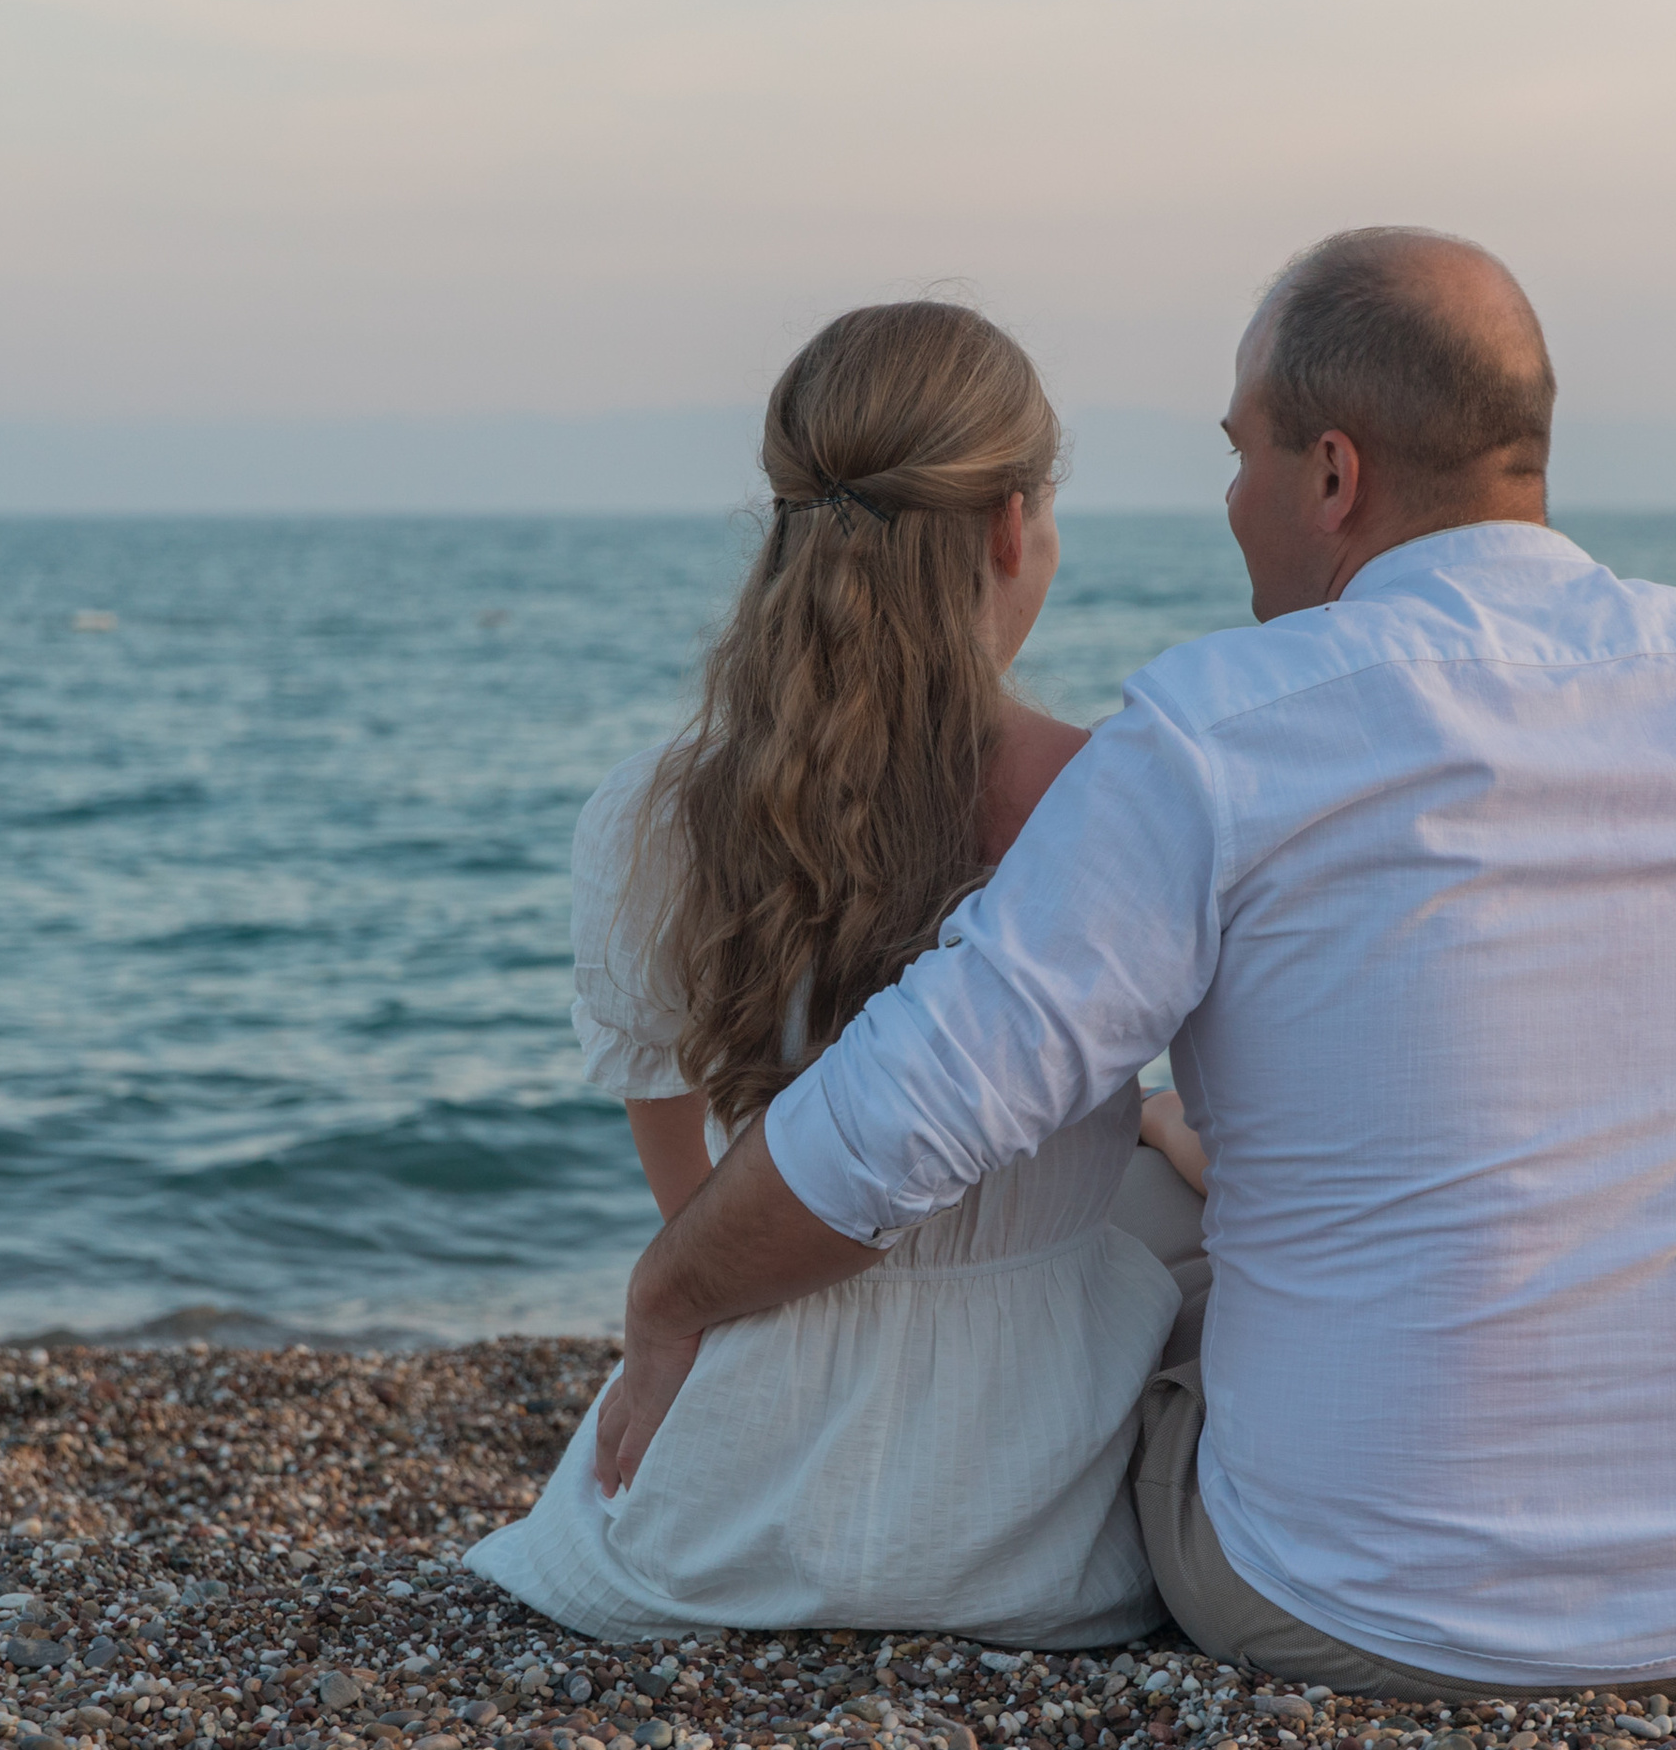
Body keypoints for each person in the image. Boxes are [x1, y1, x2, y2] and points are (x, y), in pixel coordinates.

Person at [597, 227, 1676, 1700]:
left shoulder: (1213, 732)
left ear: (1333, 474)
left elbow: (907, 1107)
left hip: (1345, 1606)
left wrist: (673, 1294)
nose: (1229, 500)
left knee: (1179, 1243)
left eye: (1240, 453)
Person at [467, 300, 1190, 1646]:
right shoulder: (1108, 799)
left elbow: (696, 1203)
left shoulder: (648, 817)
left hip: (727, 1523)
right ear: (1012, 527)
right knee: (1168, 1201)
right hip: (1031, 1533)